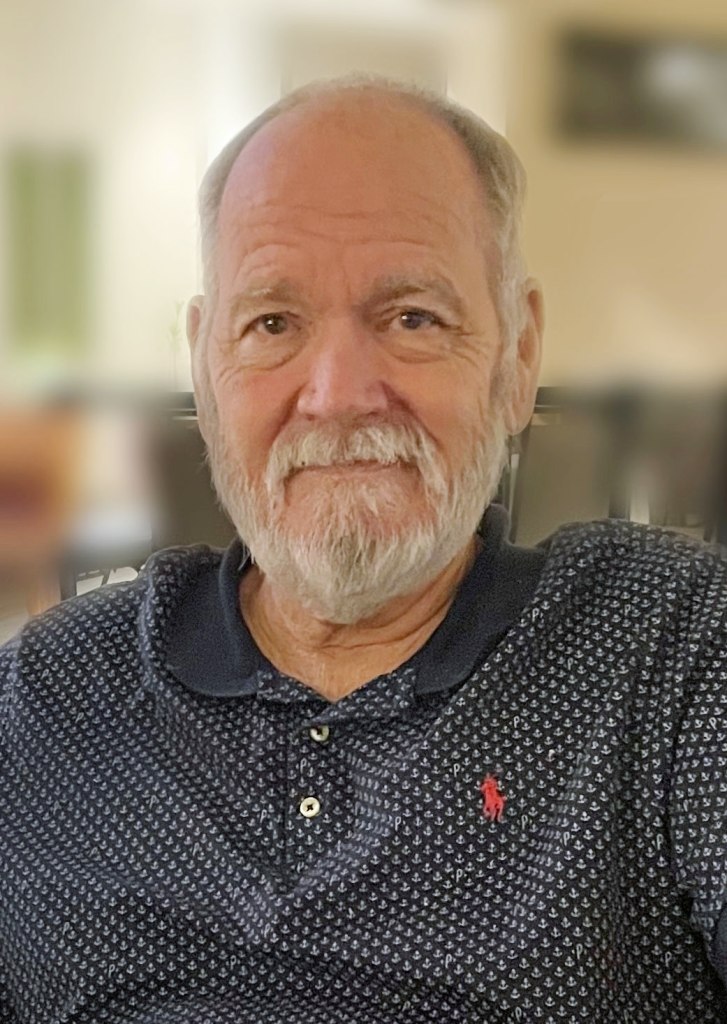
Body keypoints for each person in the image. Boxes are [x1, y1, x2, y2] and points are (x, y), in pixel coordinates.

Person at [1, 75, 726, 1024]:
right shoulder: (45, 698)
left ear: (516, 357)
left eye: (412, 317)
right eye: (272, 323)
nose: (338, 395)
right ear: (206, 369)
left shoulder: (672, 649)